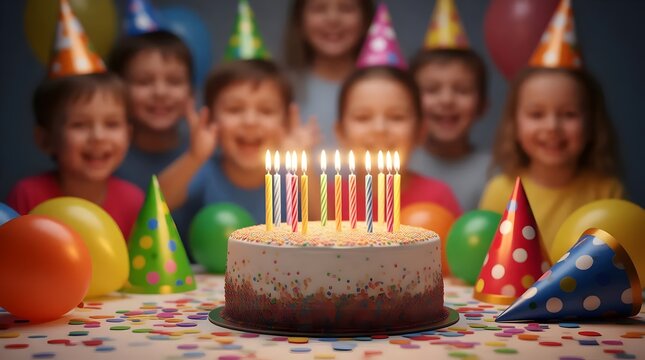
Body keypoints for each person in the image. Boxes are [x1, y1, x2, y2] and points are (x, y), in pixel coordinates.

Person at [158, 59, 319, 243]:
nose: (250, 121)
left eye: (266, 111)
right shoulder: (203, 171)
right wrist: (194, 157)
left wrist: (301, 164)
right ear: (211, 120)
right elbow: (156, 205)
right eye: (234, 109)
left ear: (286, 123)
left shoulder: (293, 177)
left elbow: (324, 228)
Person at [479, 67, 623, 249]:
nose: (552, 126)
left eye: (569, 114)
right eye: (537, 114)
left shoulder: (607, 192)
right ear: (514, 125)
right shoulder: (500, 191)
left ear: (592, 124)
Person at [6, 73, 144, 237]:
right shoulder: (26, 195)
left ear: (128, 135)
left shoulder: (133, 201)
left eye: (111, 124)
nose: (98, 136)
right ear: (45, 139)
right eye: (79, 125)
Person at [331, 65, 462, 220]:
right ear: (340, 133)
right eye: (363, 117)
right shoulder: (325, 200)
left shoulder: (438, 198)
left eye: (396, 117)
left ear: (421, 131)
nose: (379, 129)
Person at [283, 0, 375, 150]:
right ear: (299, 19)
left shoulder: (388, 89)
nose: (333, 19)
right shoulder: (282, 87)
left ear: (365, 19)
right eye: (319, 9)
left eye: (346, 8)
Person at [108, 30, 193, 191]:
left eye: (174, 81)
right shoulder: (103, 158)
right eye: (144, 82)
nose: (160, 92)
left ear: (191, 93)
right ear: (118, 92)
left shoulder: (209, 157)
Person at [407, 48, 491, 211]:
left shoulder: (496, 173)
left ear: (482, 105)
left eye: (462, 90)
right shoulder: (397, 167)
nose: (447, 100)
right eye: (431, 89)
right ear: (409, 103)